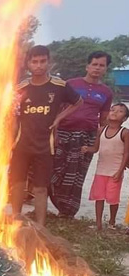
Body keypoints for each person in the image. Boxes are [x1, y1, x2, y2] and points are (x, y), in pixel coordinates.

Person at [10, 45, 83, 226]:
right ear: (28, 64)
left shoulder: (60, 86)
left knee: (41, 188)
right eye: (34, 62)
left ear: (49, 62)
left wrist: (59, 118)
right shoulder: (21, 87)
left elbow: (78, 102)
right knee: (17, 184)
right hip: (21, 143)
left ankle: (40, 227)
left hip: (45, 145)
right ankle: (15, 220)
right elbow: (11, 112)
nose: (39, 65)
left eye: (43, 61)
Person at [50, 51, 114, 218]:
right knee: (55, 171)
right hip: (63, 133)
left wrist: (97, 144)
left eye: (102, 65)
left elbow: (104, 121)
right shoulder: (70, 84)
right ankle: (45, 200)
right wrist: (54, 134)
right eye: (95, 64)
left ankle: (66, 212)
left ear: (106, 69)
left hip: (86, 138)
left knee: (76, 175)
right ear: (87, 66)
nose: (97, 68)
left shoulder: (106, 92)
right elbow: (57, 110)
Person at [81, 104, 129, 231]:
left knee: (113, 199)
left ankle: (112, 222)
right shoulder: (101, 130)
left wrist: (120, 170)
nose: (115, 112)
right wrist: (87, 149)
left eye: (120, 111)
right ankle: (98, 224)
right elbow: (96, 149)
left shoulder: (125, 132)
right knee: (99, 197)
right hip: (101, 170)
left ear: (124, 118)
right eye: (112, 109)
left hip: (115, 171)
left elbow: (126, 153)